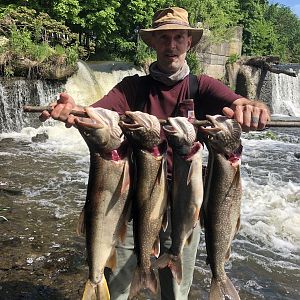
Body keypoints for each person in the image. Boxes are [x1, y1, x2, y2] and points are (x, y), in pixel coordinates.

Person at [40, 6, 270, 300]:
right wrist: (72, 110)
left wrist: (253, 107)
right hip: (138, 201)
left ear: (189, 42)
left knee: (176, 291)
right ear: (153, 43)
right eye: (163, 38)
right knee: (117, 286)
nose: (171, 46)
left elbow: (244, 104)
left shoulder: (204, 87)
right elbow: (97, 115)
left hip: (186, 203)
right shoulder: (133, 88)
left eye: (178, 37)